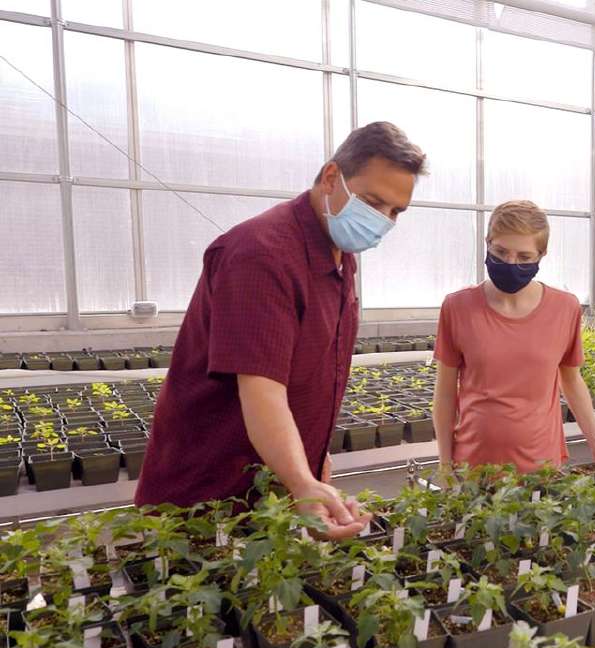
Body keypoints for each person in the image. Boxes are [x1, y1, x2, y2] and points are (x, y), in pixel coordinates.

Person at [135, 122, 426, 540]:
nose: (381, 221)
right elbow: (264, 391)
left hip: (272, 494)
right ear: (331, 178)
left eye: (395, 212)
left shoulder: (339, 255)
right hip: (210, 497)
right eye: (373, 202)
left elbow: (313, 381)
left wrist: (314, 476)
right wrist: (302, 483)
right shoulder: (261, 254)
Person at [432, 200, 595, 477]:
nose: (510, 263)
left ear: (542, 254)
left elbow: (572, 380)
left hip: (541, 465)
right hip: (473, 466)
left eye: (524, 257)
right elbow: (445, 393)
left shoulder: (564, 308)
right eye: (501, 251)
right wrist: (445, 465)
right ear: (487, 242)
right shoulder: (458, 307)